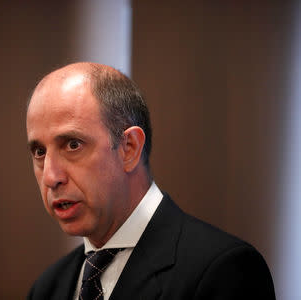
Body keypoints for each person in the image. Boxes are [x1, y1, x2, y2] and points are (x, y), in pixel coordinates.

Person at [26, 62, 275, 299]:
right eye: (39, 152)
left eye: (72, 145)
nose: (51, 177)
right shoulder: (47, 288)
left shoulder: (223, 271)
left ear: (130, 148)